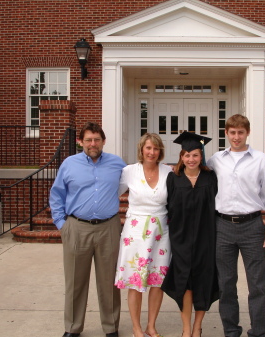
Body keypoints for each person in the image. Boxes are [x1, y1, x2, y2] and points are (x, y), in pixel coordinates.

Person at [49, 121, 126, 337]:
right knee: (75, 281)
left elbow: (134, 182)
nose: (93, 144)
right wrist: (61, 224)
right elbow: (57, 195)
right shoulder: (69, 164)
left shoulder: (117, 164)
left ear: (103, 141)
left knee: (109, 282)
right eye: (89, 140)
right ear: (80, 141)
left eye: (97, 140)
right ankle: (73, 328)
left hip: (108, 228)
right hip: (76, 227)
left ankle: (111, 327)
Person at [206, 114, 265, 337]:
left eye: (240, 132)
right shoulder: (215, 160)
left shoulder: (260, 159)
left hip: (252, 226)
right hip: (223, 226)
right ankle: (231, 330)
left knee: (257, 284)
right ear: (226, 134)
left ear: (247, 133)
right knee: (226, 284)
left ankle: (258, 331)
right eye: (232, 132)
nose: (236, 137)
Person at [114, 133, 172, 337]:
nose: (152, 152)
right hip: (136, 232)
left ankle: (151, 325)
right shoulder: (129, 171)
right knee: (136, 280)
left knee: (157, 280)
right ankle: (136, 327)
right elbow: (113, 193)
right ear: (141, 149)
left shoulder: (168, 171)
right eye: (148, 148)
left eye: (156, 149)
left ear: (160, 151)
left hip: (161, 232)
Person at [161, 132, 219, 337]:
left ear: (201, 156)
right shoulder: (173, 178)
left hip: (206, 238)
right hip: (181, 239)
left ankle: (197, 327)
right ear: (181, 157)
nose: (191, 159)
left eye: (195, 155)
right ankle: (186, 328)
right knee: (184, 283)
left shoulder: (211, 177)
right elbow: (168, 207)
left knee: (203, 281)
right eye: (187, 155)